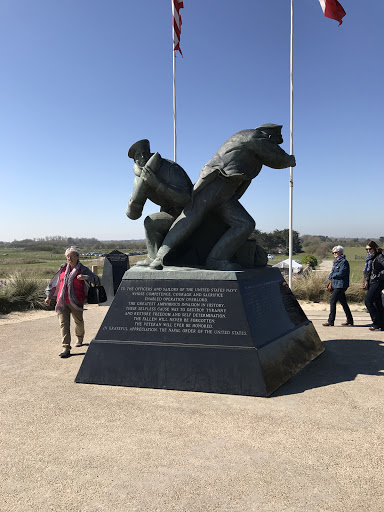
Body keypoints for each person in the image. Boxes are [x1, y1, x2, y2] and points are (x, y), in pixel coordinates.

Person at [149, 124, 296, 271]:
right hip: (216, 182)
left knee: (245, 224)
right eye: (275, 142)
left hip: (226, 191)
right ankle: (160, 258)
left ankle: (217, 259)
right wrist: (289, 159)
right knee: (190, 218)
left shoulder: (254, 144)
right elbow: (277, 158)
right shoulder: (253, 136)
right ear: (269, 136)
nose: (275, 145)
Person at [126, 139, 193, 266]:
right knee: (151, 222)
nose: (143, 157)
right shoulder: (138, 179)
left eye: (145, 152)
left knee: (151, 222)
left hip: (189, 212)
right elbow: (133, 215)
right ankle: (154, 258)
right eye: (138, 156)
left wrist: (157, 184)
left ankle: (157, 260)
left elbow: (186, 198)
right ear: (134, 161)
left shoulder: (170, 168)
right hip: (169, 213)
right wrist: (134, 201)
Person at [45, 247, 98, 358]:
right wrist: (49, 296)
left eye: (71, 256)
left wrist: (86, 277)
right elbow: (55, 283)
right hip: (62, 300)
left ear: (77, 257)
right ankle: (66, 348)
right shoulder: (63, 268)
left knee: (78, 321)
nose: (69, 258)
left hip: (77, 300)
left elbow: (96, 279)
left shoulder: (83, 269)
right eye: (67, 256)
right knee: (64, 324)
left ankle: (79, 337)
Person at [323, 246, 354, 327]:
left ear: (341, 252)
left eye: (336, 252)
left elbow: (341, 273)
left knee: (332, 301)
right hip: (336, 284)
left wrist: (332, 275)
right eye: (333, 253)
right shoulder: (336, 262)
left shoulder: (344, 262)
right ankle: (350, 320)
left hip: (341, 285)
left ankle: (331, 321)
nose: (334, 254)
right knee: (343, 302)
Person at [363, 241, 384, 331]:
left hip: (377, 281)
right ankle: (382, 323)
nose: (368, 251)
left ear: (374, 248)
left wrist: (379, 275)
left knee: (368, 301)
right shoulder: (370, 258)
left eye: (370, 249)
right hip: (372, 281)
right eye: (366, 249)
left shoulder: (379, 257)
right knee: (378, 303)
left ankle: (376, 322)